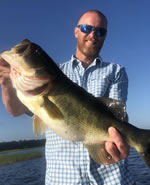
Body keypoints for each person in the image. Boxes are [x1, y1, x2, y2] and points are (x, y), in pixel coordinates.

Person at [0, 10, 135, 184]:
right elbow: (16, 110)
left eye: (100, 31)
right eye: (87, 28)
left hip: (111, 179)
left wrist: (116, 144)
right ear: (76, 31)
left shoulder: (116, 71)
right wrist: (5, 84)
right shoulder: (57, 71)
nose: (93, 34)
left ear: (104, 37)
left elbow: (117, 116)